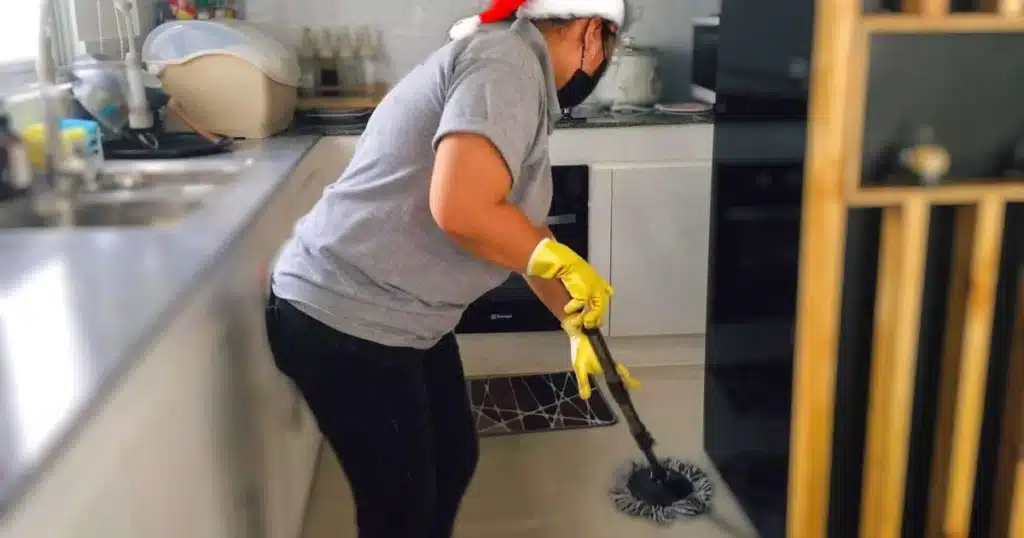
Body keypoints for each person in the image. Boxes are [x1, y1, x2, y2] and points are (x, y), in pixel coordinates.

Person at [264, 1, 640, 536]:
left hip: (402, 314)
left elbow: (520, 228)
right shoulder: (507, 63)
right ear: (592, 33)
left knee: (452, 458)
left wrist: (575, 322)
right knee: (402, 509)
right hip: (347, 316)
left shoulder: (516, 69)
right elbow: (464, 209)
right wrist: (557, 263)